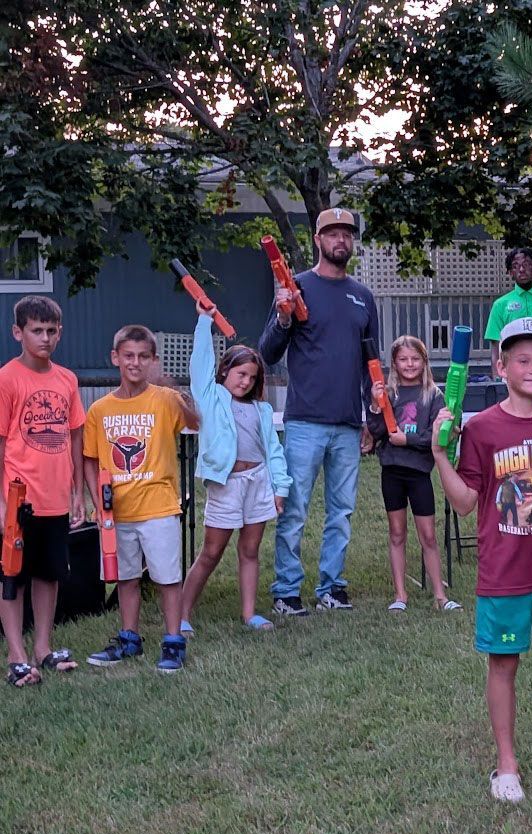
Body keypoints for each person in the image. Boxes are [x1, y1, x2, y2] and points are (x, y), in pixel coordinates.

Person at [433, 317, 532, 803]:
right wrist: (441, 454)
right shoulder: (481, 429)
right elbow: (464, 502)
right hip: (503, 574)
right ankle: (506, 766)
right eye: (522, 360)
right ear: (500, 366)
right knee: (504, 662)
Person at [259, 208, 380, 615]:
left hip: (348, 423)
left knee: (341, 512)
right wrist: (283, 317)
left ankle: (332, 587)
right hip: (305, 421)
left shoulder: (362, 297)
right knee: (294, 510)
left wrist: (371, 418)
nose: (340, 240)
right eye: (332, 234)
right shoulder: (297, 288)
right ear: (317, 239)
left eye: (346, 234)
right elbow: (268, 353)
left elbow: (371, 363)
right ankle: (286, 592)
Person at [84, 324, 200, 673]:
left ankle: (173, 641)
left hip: (159, 506)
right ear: (115, 358)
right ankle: (129, 638)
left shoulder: (164, 399)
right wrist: (98, 502)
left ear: (153, 360)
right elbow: (89, 458)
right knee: (127, 577)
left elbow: (197, 421)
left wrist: (176, 390)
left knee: (167, 577)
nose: (135, 363)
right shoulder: (99, 410)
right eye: (128, 356)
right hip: (118, 510)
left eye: (143, 357)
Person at [179, 305, 291, 634]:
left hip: (258, 482)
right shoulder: (210, 397)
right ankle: (182, 614)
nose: (245, 381)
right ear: (225, 370)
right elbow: (199, 365)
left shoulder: (262, 409)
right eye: (240, 374)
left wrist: (279, 488)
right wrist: (204, 321)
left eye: (252, 377)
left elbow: (274, 452)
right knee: (212, 551)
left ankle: (249, 614)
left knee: (250, 550)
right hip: (226, 484)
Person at [0, 296, 86, 687]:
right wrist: (1, 502)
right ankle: (16, 654)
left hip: (55, 499)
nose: (45, 338)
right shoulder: (6, 379)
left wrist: (77, 492)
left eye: (52, 331)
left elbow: (75, 437)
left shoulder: (67, 379)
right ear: (18, 332)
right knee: (12, 576)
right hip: (18, 500)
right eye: (37, 330)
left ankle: (43, 648)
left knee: (49, 575)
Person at [366, 334, 459, 613]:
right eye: (403, 359)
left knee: (428, 535)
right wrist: (374, 405)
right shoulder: (389, 394)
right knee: (397, 532)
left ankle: (440, 595)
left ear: (424, 361)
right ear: (394, 363)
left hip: (419, 473)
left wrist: (409, 440)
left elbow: (437, 437)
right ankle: (400, 594)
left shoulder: (433, 395)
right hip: (392, 471)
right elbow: (378, 431)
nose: (410, 364)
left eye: (415, 359)